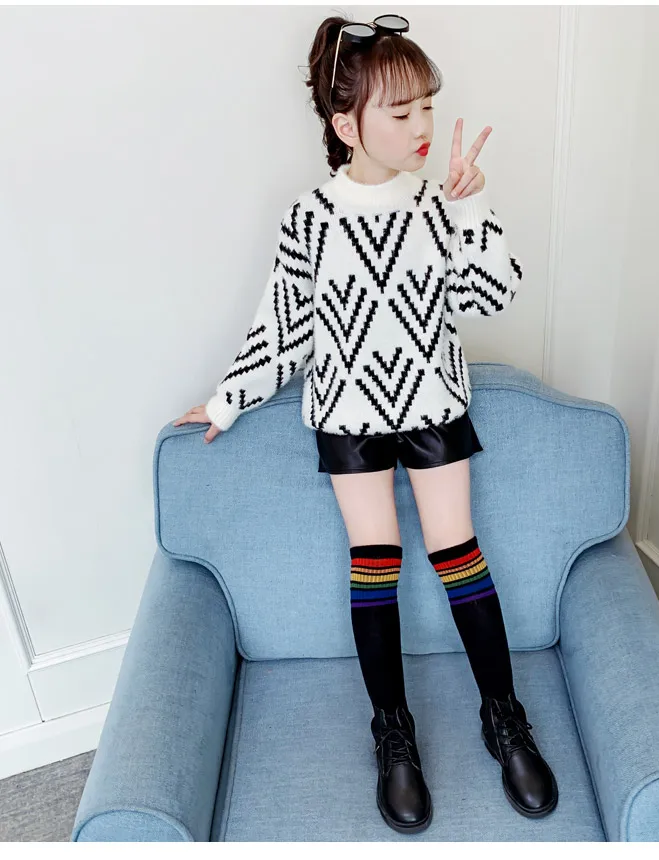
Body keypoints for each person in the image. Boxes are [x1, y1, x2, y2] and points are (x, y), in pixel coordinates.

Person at [174, 12, 558, 834]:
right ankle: (394, 736)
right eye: (401, 110)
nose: (423, 126)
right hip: (349, 418)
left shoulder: (439, 205)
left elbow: (489, 300)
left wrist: (473, 207)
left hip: (434, 405)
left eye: (428, 105)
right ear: (346, 124)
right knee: (375, 562)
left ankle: (505, 719)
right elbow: (282, 329)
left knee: (459, 553)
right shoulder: (309, 219)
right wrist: (228, 399)